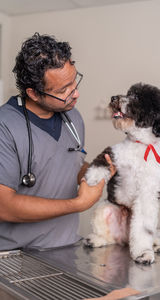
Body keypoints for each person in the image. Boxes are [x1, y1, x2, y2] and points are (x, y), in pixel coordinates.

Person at [0, 33, 114, 251]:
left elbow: (72, 164)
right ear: (33, 93)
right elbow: (3, 206)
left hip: (65, 248)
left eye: (74, 81)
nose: (76, 94)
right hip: (14, 258)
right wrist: (78, 204)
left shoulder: (73, 117)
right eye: (63, 90)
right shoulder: (4, 127)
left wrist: (94, 173)